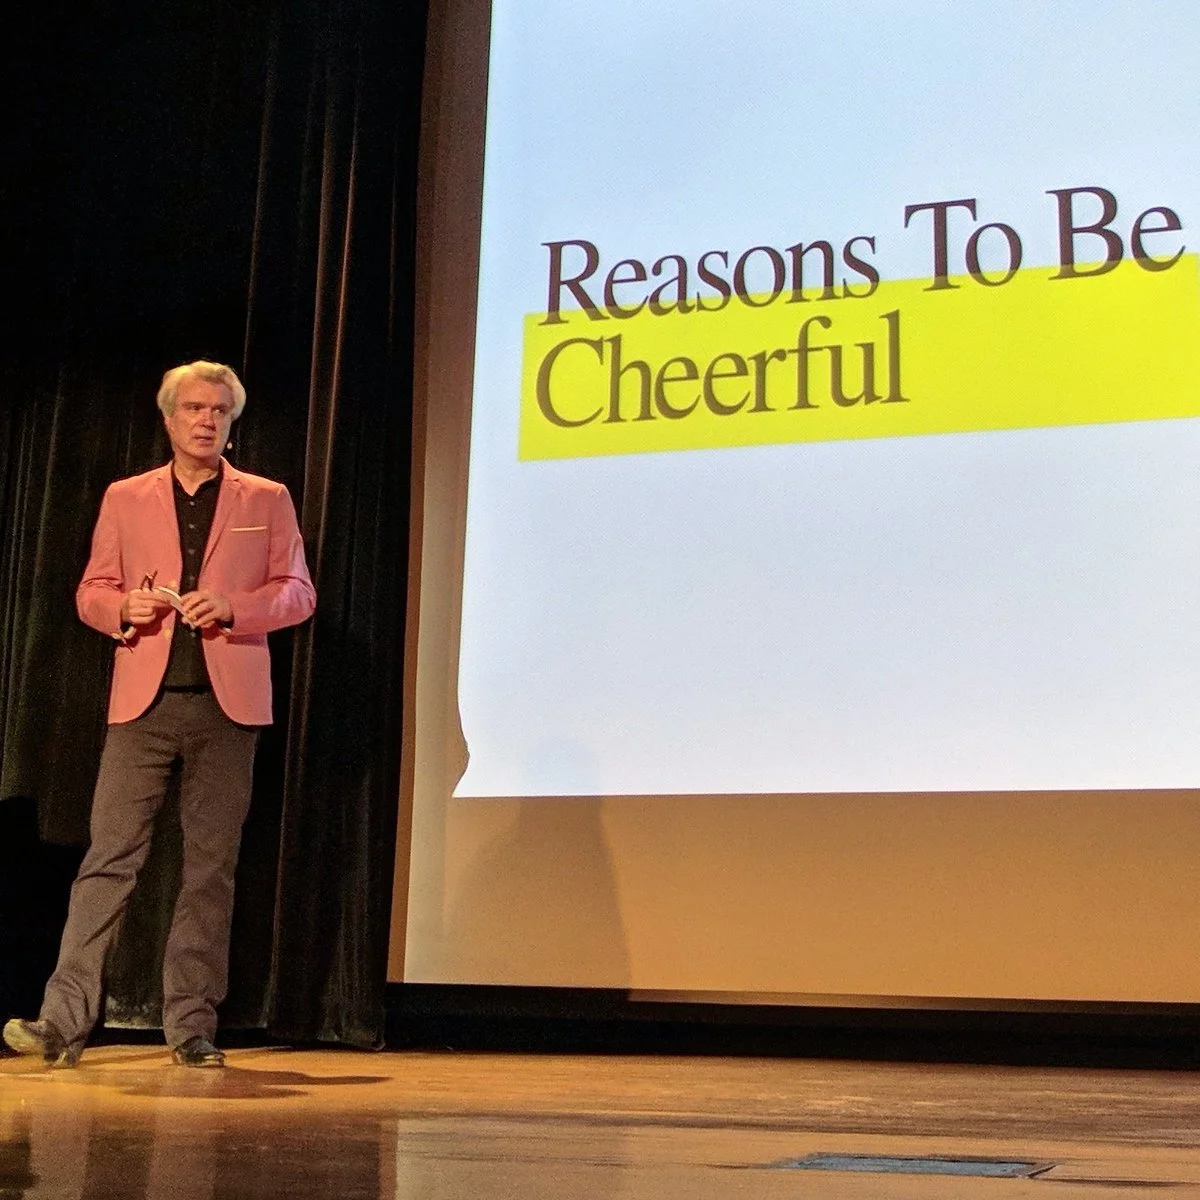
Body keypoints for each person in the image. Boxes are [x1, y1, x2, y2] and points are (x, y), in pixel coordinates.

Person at [2, 361, 316, 1068]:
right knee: (108, 860)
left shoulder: (266, 497)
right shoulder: (126, 497)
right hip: (141, 706)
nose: (207, 420)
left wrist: (239, 606)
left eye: (219, 411)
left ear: (232, 422)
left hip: (227, 706)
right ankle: (62, 1023)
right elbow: (91, 591)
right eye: (194, 408)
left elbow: (298, 593)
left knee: (210, 868)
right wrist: (122, 609)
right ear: (170, 418)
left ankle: (191, 1026)